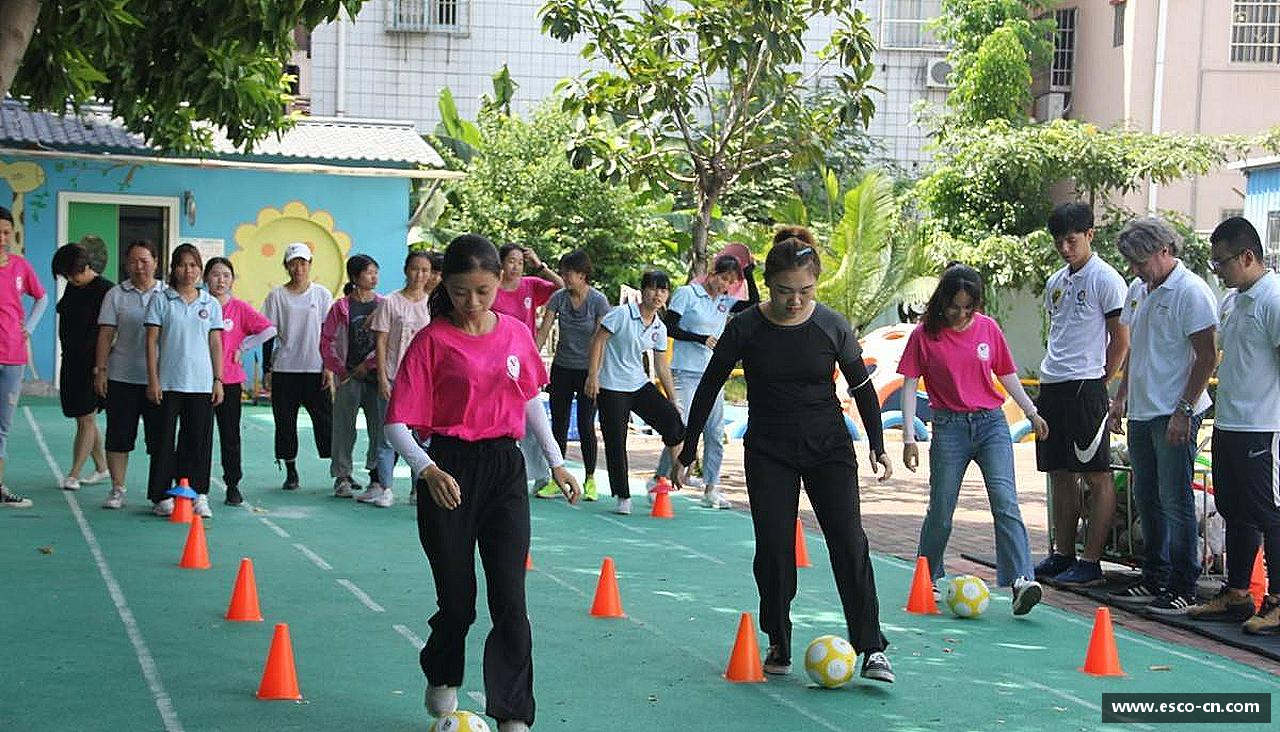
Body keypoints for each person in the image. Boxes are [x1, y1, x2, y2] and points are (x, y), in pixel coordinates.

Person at [677, 228, 896, 683]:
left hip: (829, 447)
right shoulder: (746, 327)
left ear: (815, 285)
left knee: (848, 542)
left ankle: (871, 646)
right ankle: (778, 636)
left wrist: (877, 443)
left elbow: (862, 387)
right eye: (784, 291)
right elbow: (711, 384)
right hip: (769, 449)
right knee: (774, 550)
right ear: (769, 284)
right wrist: (688, 443)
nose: (795, 300)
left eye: (805, 291)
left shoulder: (831, 325)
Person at [383, 234, 579, 732]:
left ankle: (514, 714)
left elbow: (531, 398)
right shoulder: (431, 341)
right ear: (443, 285)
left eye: (484, 291)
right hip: (447, 471)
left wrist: (556, 461)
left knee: (510, 602)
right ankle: (442, 670)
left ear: (499, 285)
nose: (472, 302)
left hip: (504, 470)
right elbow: (396, 423)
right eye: (461, 291)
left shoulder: (515, 332)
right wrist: (426, 469)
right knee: (457, 601)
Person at [899, 264, 1047, 616]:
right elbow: (908, 385)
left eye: (969, 307)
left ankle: (1021, 581)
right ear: (941, 302)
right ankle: (928, 575)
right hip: (949, 427)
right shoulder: (924, 336)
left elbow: (1006, 374)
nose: (962, 314)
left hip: (991, 425)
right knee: (942, 510)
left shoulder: (988, 328)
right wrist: (908, 437)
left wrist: (1031, 412)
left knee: (1005, 502)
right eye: (955, 307)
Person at [1105, 217, 1218, 616]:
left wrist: (1184, 410)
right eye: (1131, 264)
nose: (1135, 270)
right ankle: (1154, 576)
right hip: (1142, 410)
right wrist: (1120, 397)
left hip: (1175, 412)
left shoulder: (1191, 292)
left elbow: (1206, 356)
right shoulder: (1140, 289)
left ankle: (1183, 584)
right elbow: (1136, 348)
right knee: (1146, 497)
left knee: (1175, 499)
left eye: (1140, 261)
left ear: (1165, 251)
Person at [1188, 217, 1280, 633]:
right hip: (1230, 424)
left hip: (1264, 426)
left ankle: (1276, 600)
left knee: (1270, 513)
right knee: (1235, 511)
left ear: (1248, 256)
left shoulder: (1274, 299)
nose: (1218, 270)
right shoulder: (1233, 301)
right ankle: (1238, 592)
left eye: (1222, 262)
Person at [1032, 203, 1130, 586]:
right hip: (1052, 384)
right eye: (1059, 241)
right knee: (1059, 472)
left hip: (1085, 386)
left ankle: (1090, 562)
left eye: (1072, 240)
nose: (1065, 248)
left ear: (1090, 234)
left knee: (1095, 474)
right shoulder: (1057, 281)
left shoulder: (1106, 279)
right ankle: (1063, 553)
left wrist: (1102, 380)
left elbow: (1120, 339)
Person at [653, 252, 759, 509]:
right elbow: (669, 326)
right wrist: (700, 338)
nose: (724, 285)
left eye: (730, 282)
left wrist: (751, 272)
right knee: (683, 426)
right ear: (711, 273)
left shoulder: (724, 302)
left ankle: (711, 487)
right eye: (722, 278)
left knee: (713, 432)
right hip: (685, 372)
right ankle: (661, 477)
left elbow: (754, 303)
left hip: (712, 375)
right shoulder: (688, 294)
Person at [585, 270, 685, 516]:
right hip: (611, 386)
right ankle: (623, 496)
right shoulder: (621, 314)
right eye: (653, 288)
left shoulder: (659, 327)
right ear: (643, 292)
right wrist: (593, 376)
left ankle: (674, 470)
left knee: (672, 420)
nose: (657, 294)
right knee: (616, 441)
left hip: (638, 384)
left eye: (663, 290)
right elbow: (598, 341)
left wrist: (673, 398)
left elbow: (662, 366)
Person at [144, 244, 224, 518]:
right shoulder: (161, 300)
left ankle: (197, 493)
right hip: (167, 383)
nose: (188, 271)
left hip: (201, 384)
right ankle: (161, 494)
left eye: (193, 265)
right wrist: (153, 380)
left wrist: (218, 379)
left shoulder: (210, 303)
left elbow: (215, 342)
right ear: (173, 268)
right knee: (163, 440)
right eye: (182, 265)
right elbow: (152, 341)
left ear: (200, 270)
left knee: (198, 441)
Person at [534, 249, 610, 501]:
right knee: (559, 423)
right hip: (562, 368)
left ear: (583, 275)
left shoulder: (598, 301)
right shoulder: (559, 298)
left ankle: (590, 479)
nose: (564, 278)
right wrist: (531, 360)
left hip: (588, 370)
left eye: (569, 274)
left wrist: (594, 375)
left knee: (587, 425)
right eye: (563, 273)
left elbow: (601, 341)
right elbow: (544, 330)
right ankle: (557, 476)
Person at [95, 239, 165, 510]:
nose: (139, 267)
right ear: (126, 265)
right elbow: (106, 334)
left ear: (156, 263)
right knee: (119, 436)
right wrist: (100, 370)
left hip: (157, 379)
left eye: (145, 261)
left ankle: (160, 494)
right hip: (122, 376)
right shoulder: (116, 294)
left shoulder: (166, 294)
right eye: (134, 261)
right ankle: (117, 489)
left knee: (159, 439)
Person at [204, 257, 276, 506]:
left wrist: (243, 346)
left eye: (225, 275)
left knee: (230, 435)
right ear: (206, 279)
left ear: (232, 280)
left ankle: (232, 484)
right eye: (215, 275)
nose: (220, 280)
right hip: (199, 380)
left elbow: (269, 330)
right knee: (198, 434)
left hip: (230, 381)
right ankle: (192, 484)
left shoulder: (240, 309)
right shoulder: (200, 305)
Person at [262, 242, 335, 491]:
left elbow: (329, 333)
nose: (299, 268)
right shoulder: (277, 296)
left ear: (310, 264)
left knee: (326, 421)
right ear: (286, 266)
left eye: (303, 262)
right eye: (293, 263)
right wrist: (267, 370)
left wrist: (329, 366)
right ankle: (291, 471)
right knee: (285, 421)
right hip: (285, 368)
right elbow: (268, 333)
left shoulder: (322, 295)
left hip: (315, 368)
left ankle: (339, 472)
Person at [493, 243, 563, 495]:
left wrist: (540, 265)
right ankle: (501, 472)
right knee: (500, 417)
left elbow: (562, 288)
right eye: (511, 261)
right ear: (500, 263)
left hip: (523, 362)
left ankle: (541, 473)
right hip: (492, 362)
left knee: (532, 418)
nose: (515, 267)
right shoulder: (490, 289)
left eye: (520, 262)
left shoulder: (531, 285)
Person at [371, 250, 435, 506]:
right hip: (394, 376)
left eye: (425, 270)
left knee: (421, 437)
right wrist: (383, 378)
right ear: (405, 270)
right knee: (387, 435)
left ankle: (418, 487)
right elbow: (381, 341)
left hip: (423, 382)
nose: (419, 275)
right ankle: (385, 488)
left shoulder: (432, 304)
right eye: (415, 269)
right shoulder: (390, 302)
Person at [321, 254, 384, 500]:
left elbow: (385, 342)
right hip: (347, 377)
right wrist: (340, 369)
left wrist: (368, 365)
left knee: (379, 428)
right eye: (369, 272)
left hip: (376, 377)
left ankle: (377, 476)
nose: (374, 277)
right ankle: (342, 476)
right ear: (355, 277)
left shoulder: (383, 305)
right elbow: (327, 341)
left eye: (375, 272)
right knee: (344, 427)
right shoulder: (341, 307)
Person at [50, 243, 112, 492]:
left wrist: (101, 368)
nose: (69, 279)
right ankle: (102, 468)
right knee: (82, 416)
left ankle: (73, 474)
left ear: (86, 266)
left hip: (93, 364)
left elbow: (110, 333)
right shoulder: (73, 288)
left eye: (71, 274)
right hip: (71, 360)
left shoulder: (106, 291)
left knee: (87, 417)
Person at [0, 206, 48, 508]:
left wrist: (27, 328)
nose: (2, 237)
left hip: (13, 356)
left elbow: (41, 297)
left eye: (6, 231)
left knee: (2, 425)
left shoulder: (20, 266)